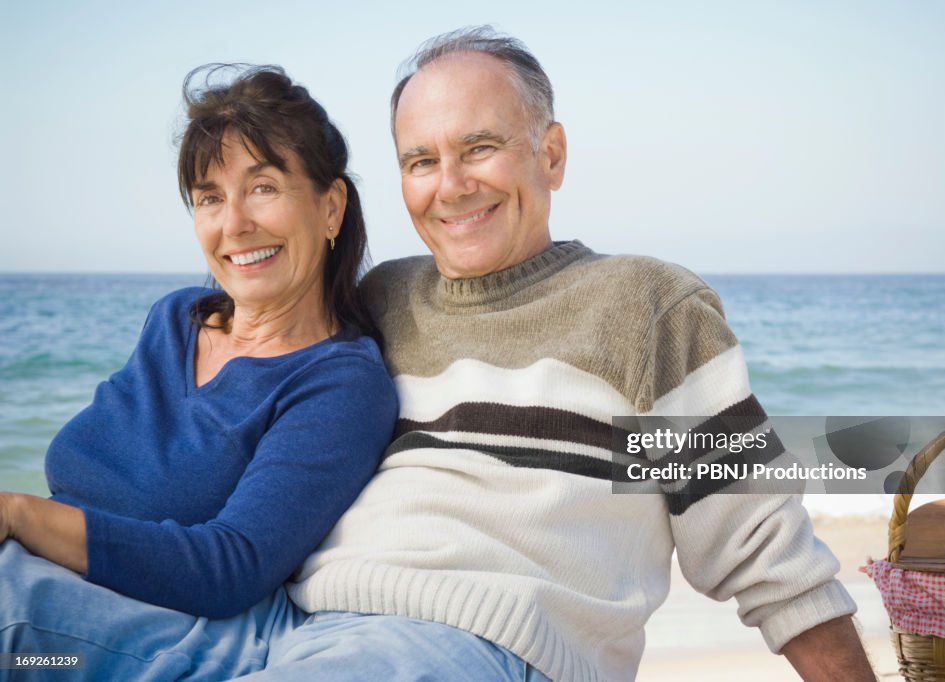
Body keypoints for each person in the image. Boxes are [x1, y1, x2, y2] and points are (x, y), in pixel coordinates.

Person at [258, 27, 879, 682]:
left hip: (483, 639)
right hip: (295, 624)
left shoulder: (644, 309)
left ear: (550, 155)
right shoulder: (379, 300)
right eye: (421, 161)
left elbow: (760, 543)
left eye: (480, 148)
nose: (451, 185)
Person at [0, 65, 397, 680]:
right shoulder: (175, 320)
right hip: (47, 587)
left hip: (171, 632)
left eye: (263, 186)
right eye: (210, 197)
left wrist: (21, 515)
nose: (233, 224)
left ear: (331, 207)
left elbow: (229, 567)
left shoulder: (340, 383)